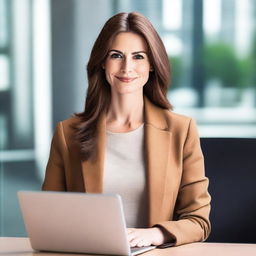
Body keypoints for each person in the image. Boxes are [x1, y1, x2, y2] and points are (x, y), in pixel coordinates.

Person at [42, 12, 211, 248]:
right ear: (102, 61)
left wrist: (154, 235)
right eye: (116, 55)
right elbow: (48, 217)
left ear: (152, 64)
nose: (127, 67)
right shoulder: (67, 133)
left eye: (138, 56)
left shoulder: (181, 131)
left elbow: (198, 221)